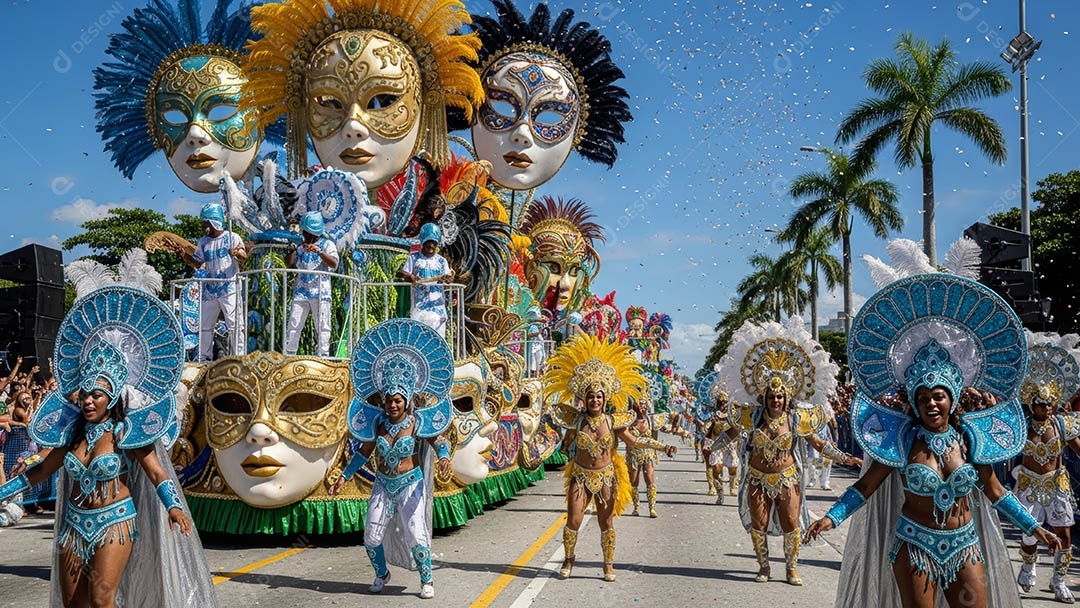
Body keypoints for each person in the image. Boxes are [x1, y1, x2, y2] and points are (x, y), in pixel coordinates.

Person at [807, 273, 1060, 608]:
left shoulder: (970, 440)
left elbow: (996, 491)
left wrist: (1034, 528)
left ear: (951, 400)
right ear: (913, 402)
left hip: (964, 543)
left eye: (938, 396)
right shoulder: (901, 439)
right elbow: (864, 488)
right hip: (914, 545)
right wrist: (832, 517)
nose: (931, 403)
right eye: (923, 397)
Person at [0, 283, 216, 606]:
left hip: (114, 522)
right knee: (75, 603)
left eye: (96, 395)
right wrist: (3, 491)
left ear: (111, 397)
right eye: (85, 394)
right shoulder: (72, 432)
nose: (88, 401)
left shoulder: (126, 433)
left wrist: (173, 506)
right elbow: (42, 469)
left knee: (103, 599)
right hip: (74, 525)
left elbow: (157, 474)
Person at [714, 317, 859, 586]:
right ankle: (764, 567)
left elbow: (818, 443)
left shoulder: (795, 419)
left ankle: (792, 568)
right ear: (765, 397)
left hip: (788, 479)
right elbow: (731, 433)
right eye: (772, 397)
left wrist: (844, 457)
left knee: (792, 522)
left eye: (780, 397)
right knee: (758, 523)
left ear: (787, 398)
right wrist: (714, 448)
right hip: (757, 478)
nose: (776, 400)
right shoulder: (754, 417)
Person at [330, 318, 455, 600]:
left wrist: (444, 457)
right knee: (371, 537)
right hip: (383, 484)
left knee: (415, 533)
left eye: (398, 400)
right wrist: (345, 475)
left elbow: (440, 440)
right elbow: (363, 452)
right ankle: (381, 574)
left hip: (411, 483)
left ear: (407, 399)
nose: (393, 404)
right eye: (389, 400)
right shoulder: (378, 424)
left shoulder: (418, 421)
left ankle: (426, 579)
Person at [546, 335, 677, 582]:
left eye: (599, 396)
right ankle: (568, 560)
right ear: (584, 398)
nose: (595, 400)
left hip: (606, 477)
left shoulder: (614, 422)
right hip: (581, 476)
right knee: (573, 520)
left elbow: (636, 442)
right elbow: (563, 445)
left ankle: (608, 565)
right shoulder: (576, 420)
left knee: (606, 523)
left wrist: (662, 447)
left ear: (605, 399)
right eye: (591, 396)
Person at [1013, 342, 1080, 602]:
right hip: (1029, 484)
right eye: (1042, 404)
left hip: (1057, 483)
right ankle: (1029, 566)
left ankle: (1058, 581)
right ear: (1033, 405)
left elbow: (1077, 449)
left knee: (1064, 533)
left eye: (1051, 403)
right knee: (1028, 532)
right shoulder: (1021, 426)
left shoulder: (1062, 425)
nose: (1048, 408)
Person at [173, 202, 248, 361]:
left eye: (206, 222)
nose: (203, 225)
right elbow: (196, 262)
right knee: (205, 327)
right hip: (209, 291)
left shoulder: (231, 237)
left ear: (215, 221)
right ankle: (203, 358)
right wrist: (184, 256)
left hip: (229, 289)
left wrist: (236, 252)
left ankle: (239, 358)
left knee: (234, 324)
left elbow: (243, 256)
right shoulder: (203, 242)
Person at [285, 211, 339, 357]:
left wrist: (319, 252)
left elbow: (334, 263)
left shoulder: (327, 244)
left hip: (320, 292)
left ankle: (323, 355)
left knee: (322, 325)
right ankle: (289, 355)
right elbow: (290, 266)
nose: (304, 234)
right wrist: (290, 251)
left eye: (306, 231)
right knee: (294, 323)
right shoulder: (301, 247)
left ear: (313, 232)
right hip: (301, 291)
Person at [399, 223, 453, 335]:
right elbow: (403, 273)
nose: (431, 248)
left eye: (434, 245)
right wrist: (410, 277)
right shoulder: (413, 258)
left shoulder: (442, 261)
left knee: (437, 337)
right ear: (423, 243)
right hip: (419, 307)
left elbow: (448, 279)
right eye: (429, 245)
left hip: (438, 308)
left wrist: (449, 278)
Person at [626, 399, 667, 517]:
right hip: (633, 455)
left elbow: (657, 434)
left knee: (649, 478)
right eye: (638, 406)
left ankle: (652, 508)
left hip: (648, 454)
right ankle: (636, 507)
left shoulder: (650, 420)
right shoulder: (627, 421)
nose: (641, 408)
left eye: (643, 405)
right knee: (634, 483)